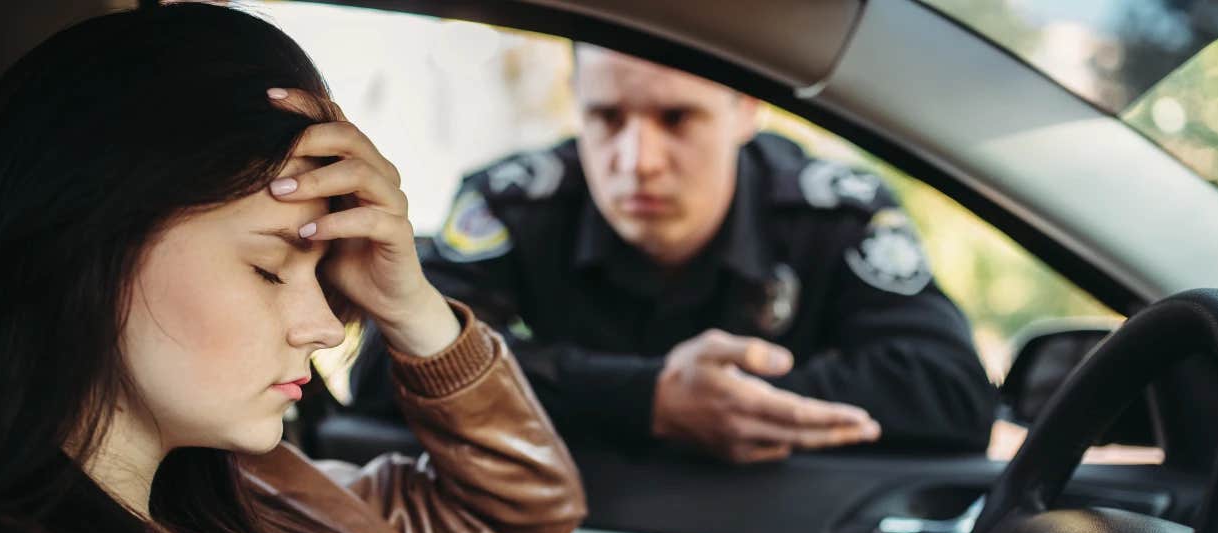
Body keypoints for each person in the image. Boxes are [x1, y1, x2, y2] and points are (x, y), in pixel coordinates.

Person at [0, 5, 585, 533]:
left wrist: (410, 304)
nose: (324, 325)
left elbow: (520, 511)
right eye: (269, 266)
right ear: (85, 242)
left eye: (320, 272)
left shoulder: (257, 499)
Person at [350, 45, 997, 464]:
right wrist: (647, 397)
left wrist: (724, 401)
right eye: (606, 118)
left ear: (746, 109)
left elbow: (950, 390)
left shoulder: (831, 211)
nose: (637, 162)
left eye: (677, 118)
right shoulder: (514, 204)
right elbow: (385, 367)